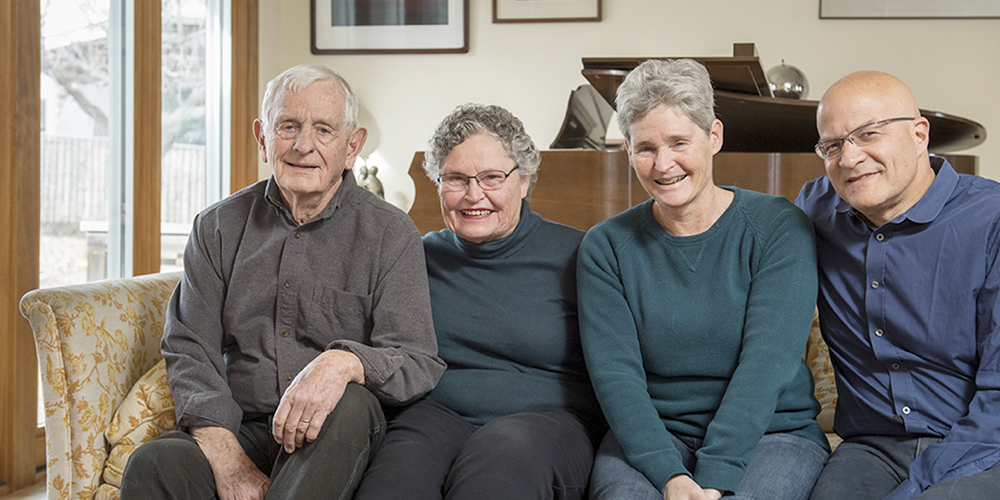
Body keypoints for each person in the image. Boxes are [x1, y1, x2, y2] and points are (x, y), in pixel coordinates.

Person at [119, 64, 445, 500]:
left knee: (348, 402)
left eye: (324, 130)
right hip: (249, 427)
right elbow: (189, 346)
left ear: (353, 146)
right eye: (287, 126)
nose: (303, 145)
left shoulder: (391, 233)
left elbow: (417, 360)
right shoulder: (218, 227)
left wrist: (343, 363)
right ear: (262, 138)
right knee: (155, 462)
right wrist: (227, 455)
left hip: (340, 437)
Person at [577, 58, 829, 500]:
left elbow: (766, 365)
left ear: (714, 136)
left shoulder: (778, 227)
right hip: (655, 438)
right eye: (645, 148)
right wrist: (669, 476)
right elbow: (617, 378)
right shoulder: (605, 247)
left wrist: (714, 477)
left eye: (679, 142)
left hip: (772, 434)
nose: (663, 164)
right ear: (627, 151)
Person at [353, 104, 603, 500]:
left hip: (548, 423)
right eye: (456, 178)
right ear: (437, 183)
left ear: (524, 181)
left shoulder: (581, 256)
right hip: (436, 416)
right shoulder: (415, 257)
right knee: (394, 482)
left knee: (497, 472)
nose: (474, 195)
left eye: (492, 178)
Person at [797, 71, 1000, 500]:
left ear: (920, 133)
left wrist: (915, 488)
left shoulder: (991, 220)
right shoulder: (814, 210)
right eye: (832, 146)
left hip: (982, 445)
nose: (849, 158)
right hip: (872, 447)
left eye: (868, 134)